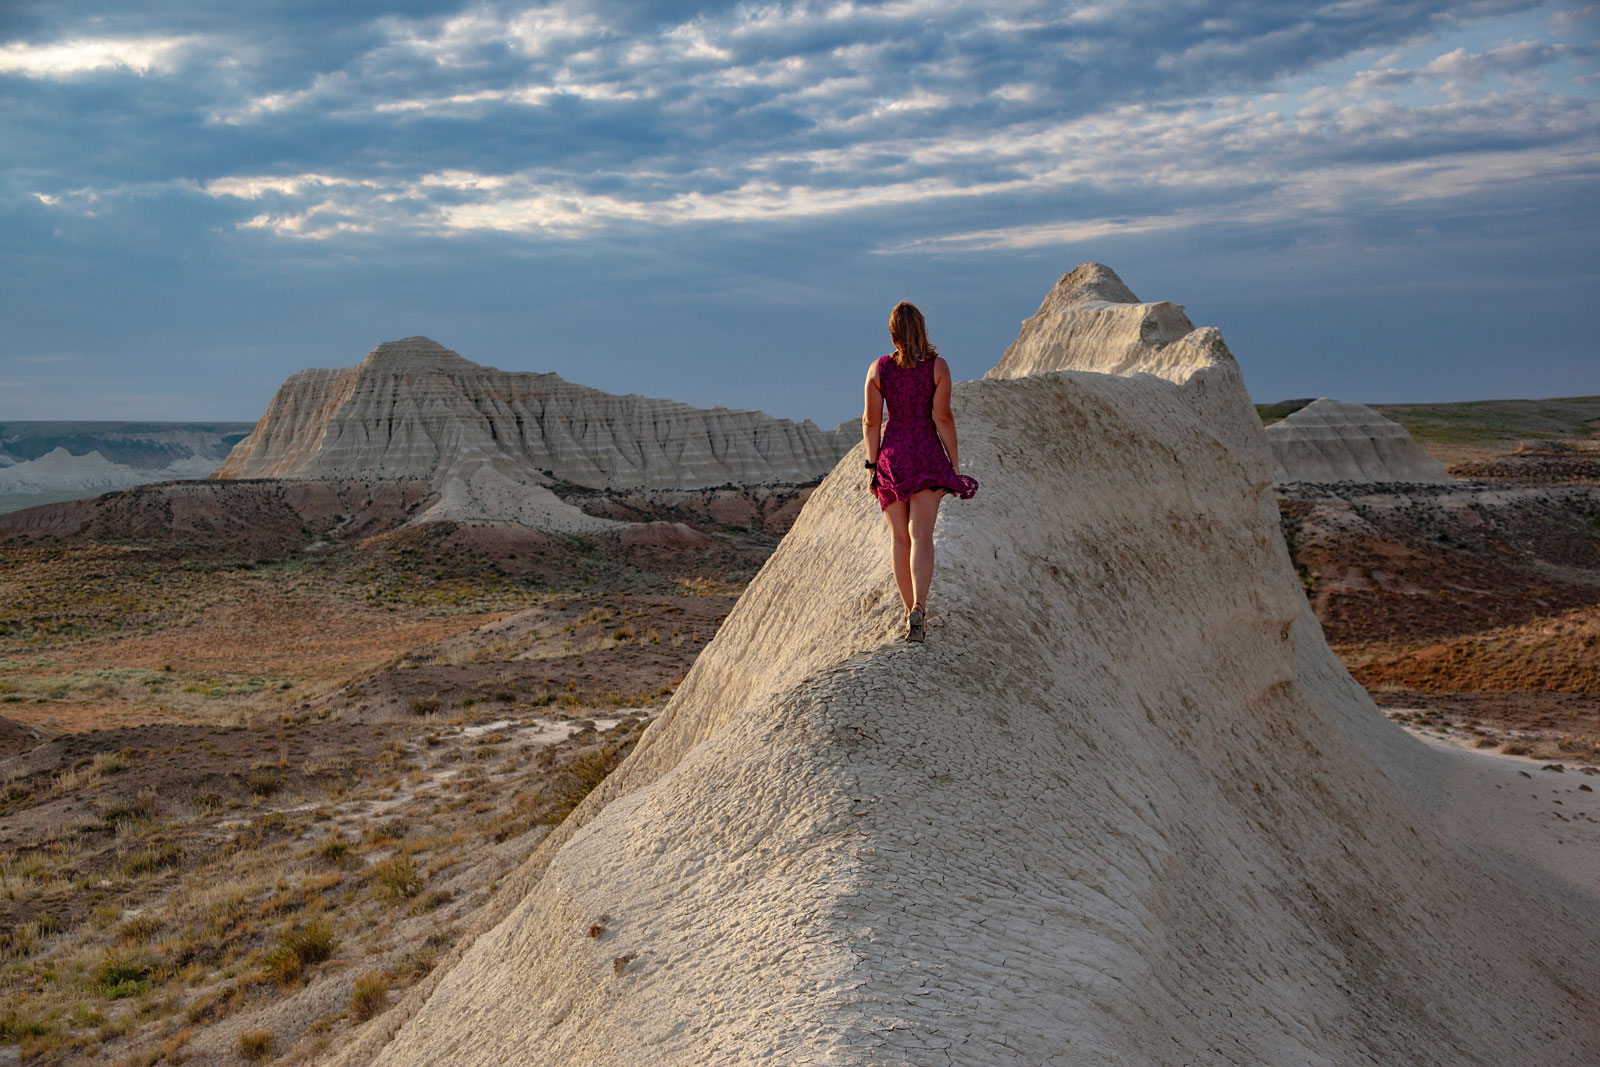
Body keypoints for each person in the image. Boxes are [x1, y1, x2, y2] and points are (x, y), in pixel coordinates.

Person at [862, 301, 979, 642]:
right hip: (926, 454)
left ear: (892, 332)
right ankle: (921, 609)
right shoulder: (937, 367)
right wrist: (953, 464)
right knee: (921, 536)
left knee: (900, 539)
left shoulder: (878, 369)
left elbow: (871, 422)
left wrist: (872, 464)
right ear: (922, 329)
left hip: (893, 457)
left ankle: (907, 608)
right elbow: (942, 417)